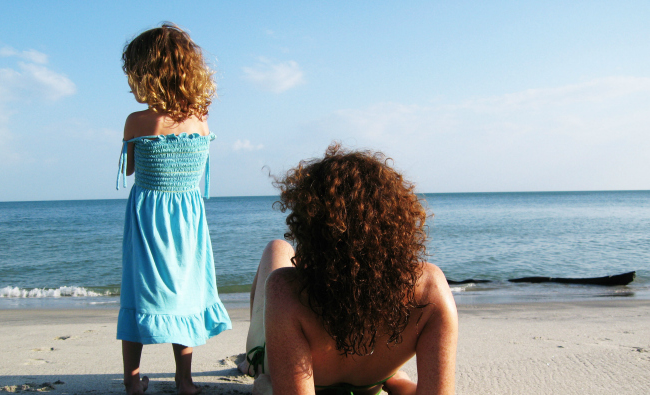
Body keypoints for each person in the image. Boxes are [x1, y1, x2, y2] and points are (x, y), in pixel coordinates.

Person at [238, 144, 458, 395]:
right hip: (370, 380)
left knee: (277, 248)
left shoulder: (286, 290)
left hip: (302, 377)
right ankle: (395, 380)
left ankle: (250, 362)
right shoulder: (431, 286)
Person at [115, 23, 231, 395]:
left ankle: (132, 382)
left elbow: (131, 169)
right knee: (185, 291)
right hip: (188, 222)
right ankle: (185, 381)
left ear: (147, 75)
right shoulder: (199, 121)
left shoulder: (137, 123)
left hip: (148, 219)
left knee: (138, 292)